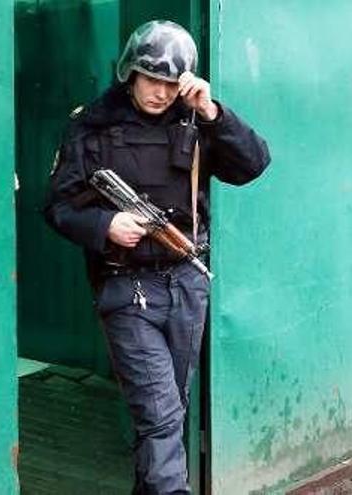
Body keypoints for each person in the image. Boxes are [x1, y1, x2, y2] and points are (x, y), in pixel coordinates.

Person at [44, 20, 271, 495]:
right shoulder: (93, 125)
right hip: (126, 288)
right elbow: (58, 207)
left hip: (186, 282)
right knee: (161, 411)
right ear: (131, 73)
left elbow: (253, 164)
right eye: (152, 80)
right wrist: (104, 226)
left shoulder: (195, 120)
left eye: (171, 83)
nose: (161, 93)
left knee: (167, 411)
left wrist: (211, 111)